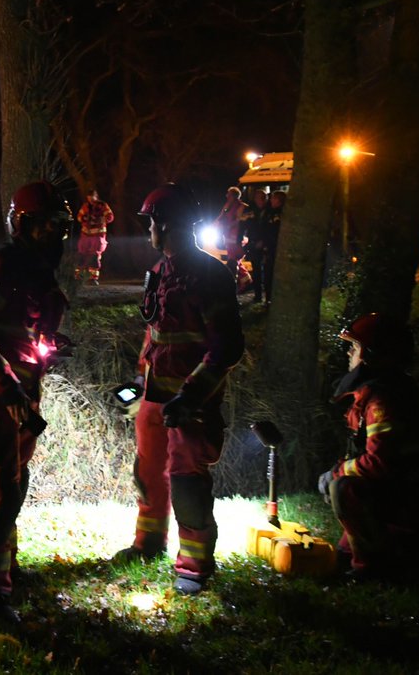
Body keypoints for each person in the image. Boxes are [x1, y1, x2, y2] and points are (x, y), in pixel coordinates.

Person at [113, 183, 244, 596]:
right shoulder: (158, 273)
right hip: (154, 398)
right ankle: (149, 543)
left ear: (165, 223)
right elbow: (154, 334)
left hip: (192, 403)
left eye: (150, 220)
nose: (148, 228)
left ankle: (194, 565)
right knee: (148, 474)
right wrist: (138, 382)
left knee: (187, 482)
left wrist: (192, 395)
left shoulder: (210, 274)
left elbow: (227, 347)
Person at [0, 180, 71, 624]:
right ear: (23, 224)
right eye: (47, 226)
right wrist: (7, 388)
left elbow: (25, 329)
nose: (56, 236)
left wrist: (48, 343)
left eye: (60, 227)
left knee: (13, 484)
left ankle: (1, 568)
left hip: (24, 396)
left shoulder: (39, 273)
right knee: (3, 484)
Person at [318, 313, 419, 579]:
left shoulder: (382, 400)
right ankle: (360, 553)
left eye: (356, 346)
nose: (350, 352)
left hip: (416, 495)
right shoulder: (384, 391)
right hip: (412, 489)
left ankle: (372, 568)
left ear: (372, 354)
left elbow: (379, 463)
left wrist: (337, 472)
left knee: (344, 488)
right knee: (342, 542)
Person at [75, 189, 114, 284]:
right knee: (81, 255)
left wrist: (100, 219)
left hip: (97, 236)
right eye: (89, 198)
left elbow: (110, 216)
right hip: (85, 235)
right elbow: (79, 217)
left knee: (94, 256)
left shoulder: (103, 206)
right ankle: (79, 277)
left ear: (96, 197)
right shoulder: (85, 206)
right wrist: (85, 218)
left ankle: (93, 278)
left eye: (92, 198)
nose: (91, 200)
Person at [239, 188, 270, 303]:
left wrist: (264, 241)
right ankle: (258, 296)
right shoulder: (250, 211)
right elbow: (242, 226)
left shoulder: (270, 211)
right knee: (256, 271)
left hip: (267, 245)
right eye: (258, 198)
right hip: (253, 244)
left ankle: (268, 298)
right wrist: (240, 239)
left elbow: (272, 229)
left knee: (268, 273)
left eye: (262, 198)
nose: (260, 200)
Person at [213, 186, 247, 276]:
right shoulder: (227, 205)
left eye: (229, 194)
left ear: (233, 196)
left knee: (234, 258)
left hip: (236, 235)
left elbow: (238, 221)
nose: (226, 196)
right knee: (233, 258)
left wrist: (228, 226)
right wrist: (213, 225)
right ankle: (244, 279)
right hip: (228, 235)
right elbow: (221, 216)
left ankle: (236, 277)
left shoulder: (241, 206)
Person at [263, 190, 286, 303]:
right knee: (268, 274)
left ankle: (271, 300)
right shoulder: (270, 212)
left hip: (274, 249)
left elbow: (273, 231)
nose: (271, 200)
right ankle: (269, 299)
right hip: (270, 248)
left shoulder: (280, 214)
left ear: (279, 200)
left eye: (273, 198)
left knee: (271, 275)